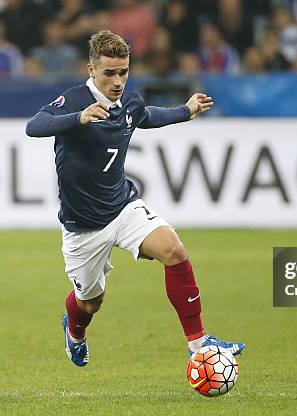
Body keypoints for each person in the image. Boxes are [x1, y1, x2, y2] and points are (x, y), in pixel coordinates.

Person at [25, 30, 245, 367]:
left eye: (123, 72)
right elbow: (35, 125)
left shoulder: (129, 101)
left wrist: (185, 111)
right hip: (83, 226)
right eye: (109, 73)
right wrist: (78, 118)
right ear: (91, 70)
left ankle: (199, 344)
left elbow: (145, 117)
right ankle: (74, 330)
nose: (117, 81)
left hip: (122, 207)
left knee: (174, 250)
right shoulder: (73, 101)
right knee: (90, 303)